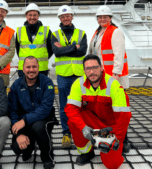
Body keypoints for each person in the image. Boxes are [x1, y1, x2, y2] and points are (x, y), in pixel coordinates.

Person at [65, 54, 132, 169]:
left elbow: (123, 116)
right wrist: (83, 127)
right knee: (72, 121)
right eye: (88, 69)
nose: (92, 72)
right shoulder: (78, 84)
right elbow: (71, 109)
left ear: (101, 68)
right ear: (84, 70)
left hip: (111, 128)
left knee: (113, 164)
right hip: (91, 121)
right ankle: (87, 152)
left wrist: (118, 138)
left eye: (95, 67)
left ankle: (108, 147)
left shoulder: (114, 85)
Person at [89, 5, 130, 152]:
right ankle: (110, 136)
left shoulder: (115, 32)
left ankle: (124, 140)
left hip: (114, 78)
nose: (102, 19)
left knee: (119, 110)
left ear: (110, 18)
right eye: (100, 17)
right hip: (103, 78)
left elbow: (119, 55)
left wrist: (115, 75)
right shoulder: (98, 32)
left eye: (105, 17)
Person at [8, 56, 57, 169]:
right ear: (23, 69)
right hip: (24, 121)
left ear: (38, 68)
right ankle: (29, 147)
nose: (31, 70)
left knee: (38, 127)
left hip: (44, 118)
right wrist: (19, 133)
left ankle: (47, 157)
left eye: (34, 66)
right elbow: (12, 110)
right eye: (28, 67)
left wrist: (25, 120)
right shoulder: (16, 85)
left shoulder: (47, 82)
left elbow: (45, 108)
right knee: (17, 147)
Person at [51, 5, 87, 148]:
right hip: (64, 75)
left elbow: (82, 52)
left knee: (82, 104)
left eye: (68, 16)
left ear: (72, 17)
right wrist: (74, 47)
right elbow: (56, 52)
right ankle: (66, 133)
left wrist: (64, 49)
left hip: (79, 74)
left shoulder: (81, 33)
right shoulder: (54, 34)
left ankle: (81, 129)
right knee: (64, 106)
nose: (65, 18)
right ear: (59, 18)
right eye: (63, 16)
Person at [16, 3, 53, 78]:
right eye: (30, 15)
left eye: (35, 15)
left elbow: (51, 49)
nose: (32, 17)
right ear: (26, 16)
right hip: (24, 69)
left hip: (41, 69)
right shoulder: (20, 31)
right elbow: (18, 49)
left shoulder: (46, 30)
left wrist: (42, 57)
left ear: (38, 16)